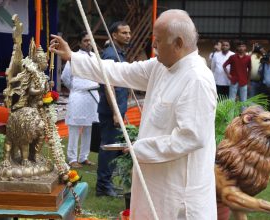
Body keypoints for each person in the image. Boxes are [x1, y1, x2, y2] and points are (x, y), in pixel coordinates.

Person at [50, 9, 217, 219]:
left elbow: (191, 137)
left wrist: (140, 148)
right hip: (154, 184)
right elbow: (122, 71)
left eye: (158, 40)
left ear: (178, 43)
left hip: (178, 196)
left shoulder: (196, 79)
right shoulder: (162, 66)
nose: (153, 45)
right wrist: (73, 57)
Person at [95, 21, 131, 197]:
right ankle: (103, 186)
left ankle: (107, 182)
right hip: (111, 111)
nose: (128, 35)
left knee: (113, 147)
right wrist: (116, 112)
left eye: (129, 32)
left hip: (116, 109)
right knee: (108, 147)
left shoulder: (118, 53)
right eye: (124, 33)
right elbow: (108, 86)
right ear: (114, 35)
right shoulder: (111, 55)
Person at [61, 31, 99, 168]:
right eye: (85, 41)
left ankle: (84, 157)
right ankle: (72, 158)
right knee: (75, 127)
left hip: (93, 95)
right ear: (79, 43)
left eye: (90, 41)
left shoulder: (95, 57)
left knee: (89, 127)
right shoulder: (74, 56)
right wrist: (76, 88)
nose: (88, 43)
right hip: (78, 95)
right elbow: (65, 78)